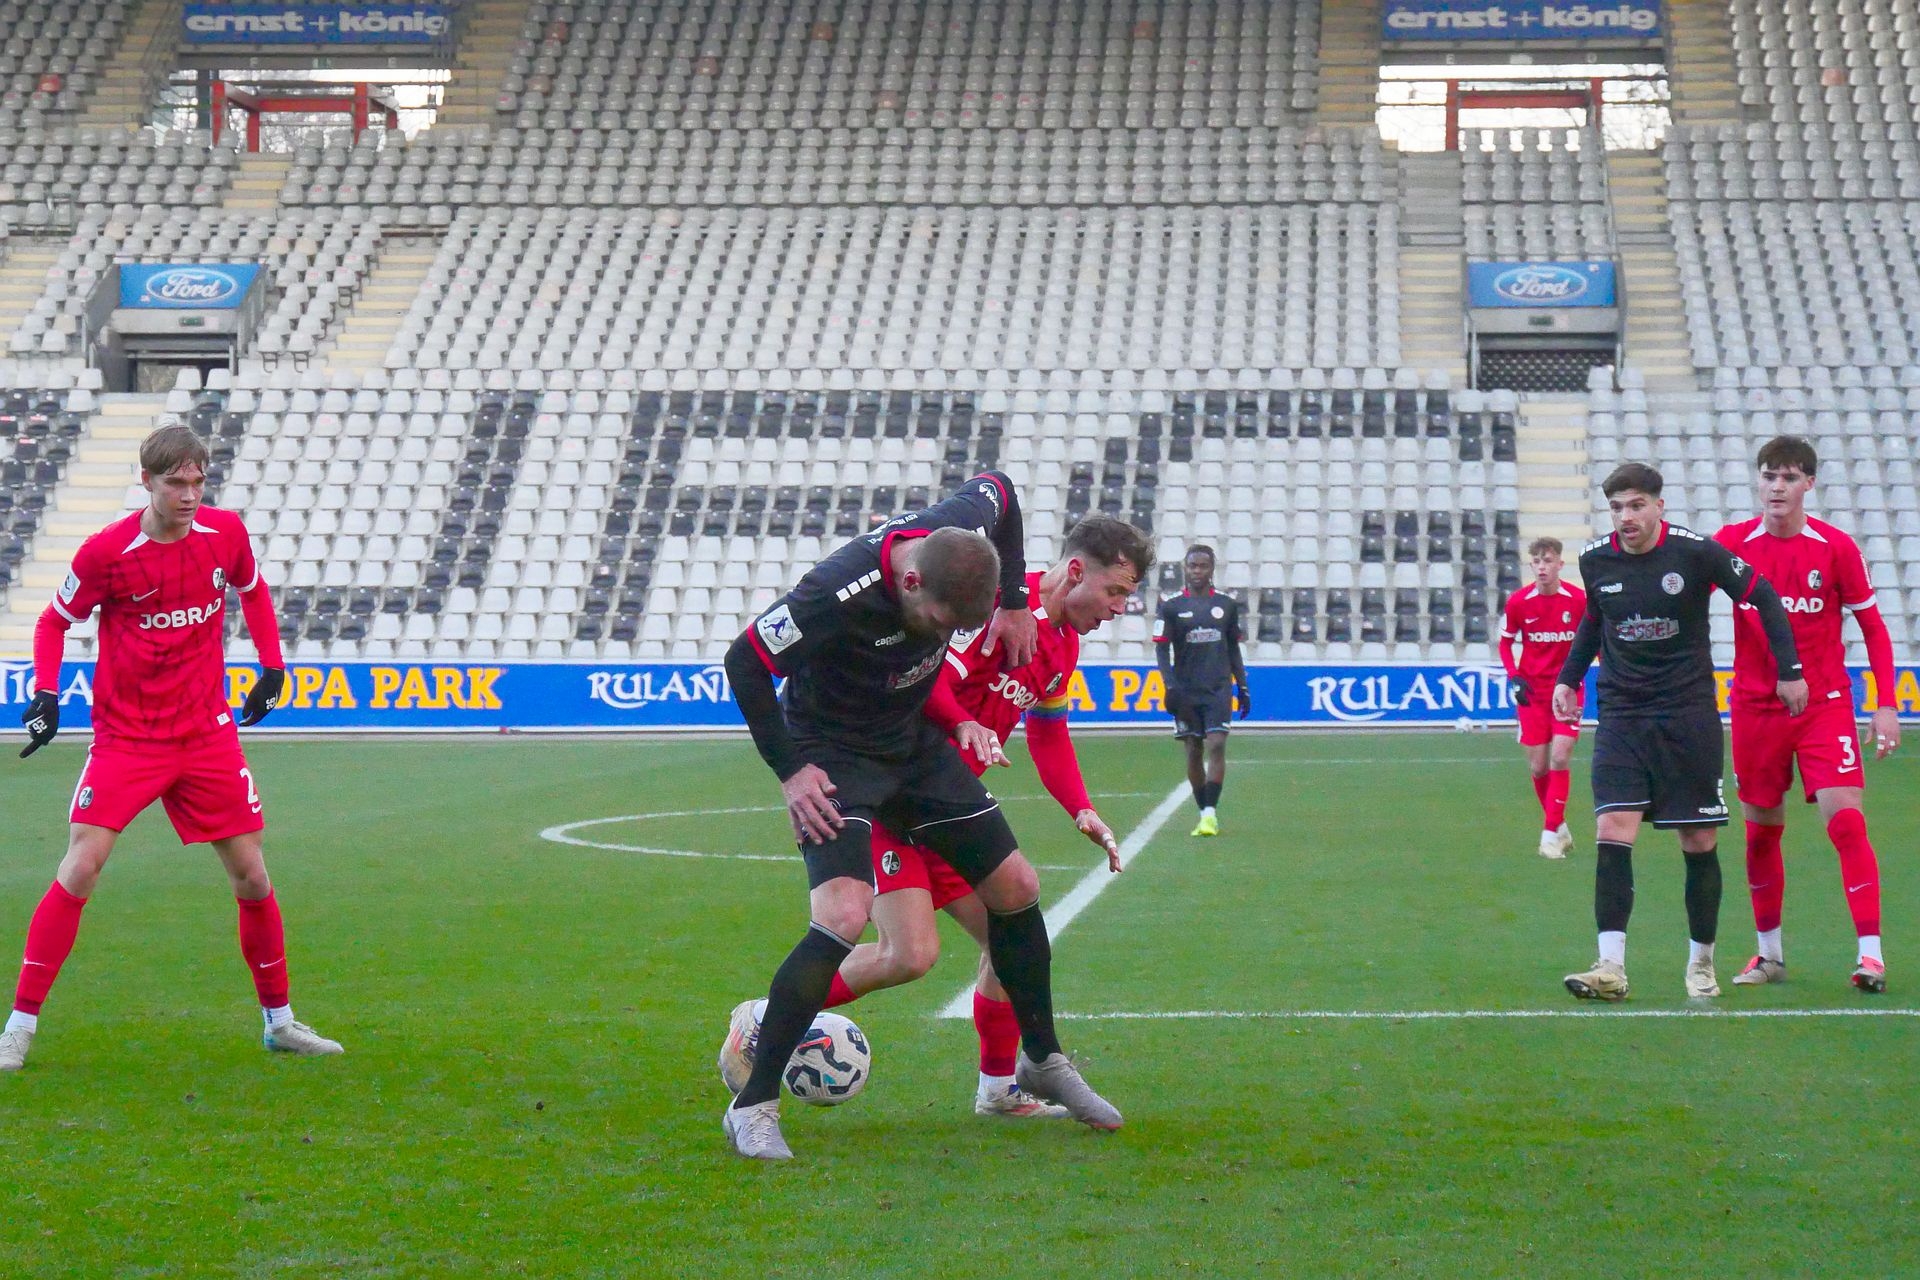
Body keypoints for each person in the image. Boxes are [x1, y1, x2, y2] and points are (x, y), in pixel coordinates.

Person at [718, 472, 1122, 1160]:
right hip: (836, 754)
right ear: (909, 584)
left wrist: (1014, 603)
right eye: (941, 624)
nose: (946, 636)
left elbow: (1003, 488)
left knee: (1018, 887)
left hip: (912, 743)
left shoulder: (962, 521)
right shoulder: (830, 594)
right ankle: (753, 1104)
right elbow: (743, 661)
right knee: (844, 916)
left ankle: (1040, 1061)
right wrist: (791, 771)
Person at [2, 424, 341, 1072]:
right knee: (82, 864)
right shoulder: (107, 552)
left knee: (252, 875)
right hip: (129, 739)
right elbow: (53, 622)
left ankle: (280, 1022)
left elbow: (253, 590)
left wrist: (272, 666)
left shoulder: (225, 533)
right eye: (174, 482)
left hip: (206, 734)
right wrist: (46, 691)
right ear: (147, 482)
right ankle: (18, 1027)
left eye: (197, 482)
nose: (188, 495)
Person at [1554, 462, 1806, 1002]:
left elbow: (1763, 596)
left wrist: (1790, 671)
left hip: (1687, 715)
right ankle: (1610, 966)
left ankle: (1701, 963)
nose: (1626, 516)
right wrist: (1569, 678)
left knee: (1698, 839)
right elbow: (1595, 619)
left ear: (1658, 507)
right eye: (1617, 507)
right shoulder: (1595, 560)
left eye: (1636, 505)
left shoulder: (1696, 553)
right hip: (1622, 715)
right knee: (1613, 827)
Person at [1713, 436, 1901, 993]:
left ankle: (1871, 957)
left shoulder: (1835, 547)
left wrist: (1885, 703)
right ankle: (1769, 955)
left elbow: (1873, 628)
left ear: (1809, 484)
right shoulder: (1732, 544)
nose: (1777, 487)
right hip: (1755, 708)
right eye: (1769, 475)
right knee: (1759, 835)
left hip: (1824, 706)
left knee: (1846, 823)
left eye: (1790, 477)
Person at [1499, 537, 1588, 859]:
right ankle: (1559, 827)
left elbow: (1595, 639)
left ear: (1560, 564)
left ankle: (1549, 835)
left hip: (1568, 690)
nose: (1541, 567)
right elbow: (1505, 643)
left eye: (1547, 561)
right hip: (1533, 694)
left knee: (1560, 757)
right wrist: (1514, 676)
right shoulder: (1518, 603)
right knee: (1538, 767)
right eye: (1536, 561)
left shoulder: (1578, 600)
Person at [1153, 544, 1249, 837]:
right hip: (1186, 690)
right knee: (1194, 750)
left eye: (1202, 566)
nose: (1197, 571)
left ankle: (1209, 815)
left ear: (1211, 569)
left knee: (1216, 744)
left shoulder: (1226, 605)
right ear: (1185, 568)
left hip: (1218, 687)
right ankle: (1203, 809)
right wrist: (1170, 685)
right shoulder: (1170, 606)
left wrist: (1242, 685)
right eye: (1192, 565)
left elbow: (1233, 648)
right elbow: (1161, 649)